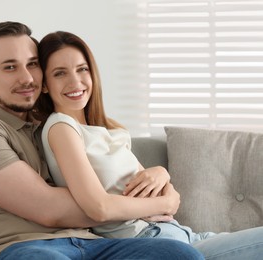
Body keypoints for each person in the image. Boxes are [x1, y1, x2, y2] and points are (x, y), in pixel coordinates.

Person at [0, 21, 204, 260]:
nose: (27, 78)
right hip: (20, 248)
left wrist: (157, 175)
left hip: (89, 242)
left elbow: (106, 176)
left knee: (179, 254)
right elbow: (50, 209)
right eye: (10, 67)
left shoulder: (43, 123)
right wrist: (149, 204)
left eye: (32, 64)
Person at [35, 30, 263, 260]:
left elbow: (145, 184)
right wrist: (166, 202)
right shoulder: (61, 127)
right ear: (44, 85)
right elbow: (100, 208)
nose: (75, 81)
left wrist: (161, 174)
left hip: (184, 234)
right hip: (151, 240)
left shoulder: (107, 130)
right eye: (60, 73)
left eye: (81, 69)